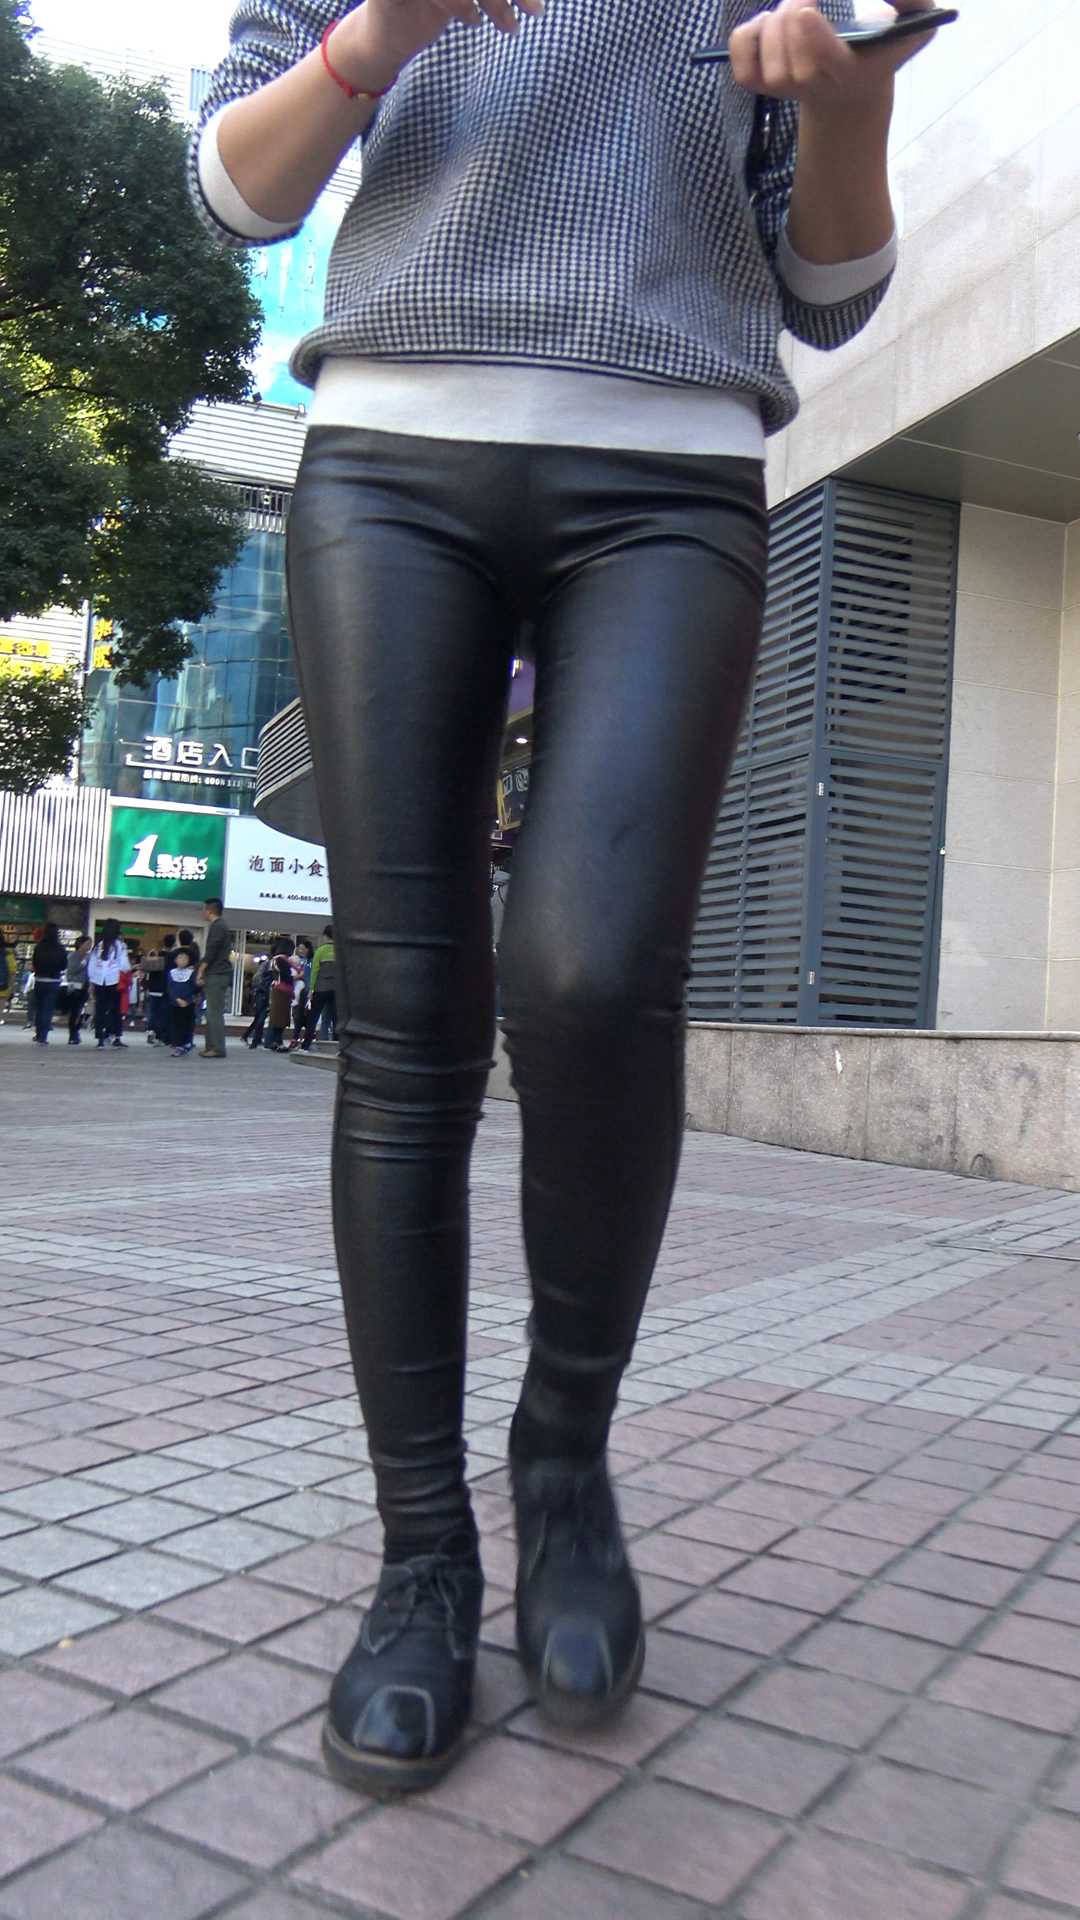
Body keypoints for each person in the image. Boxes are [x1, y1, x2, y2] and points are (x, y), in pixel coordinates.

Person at [192, 0, 937, 1794]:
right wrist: (383, 31)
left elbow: (832, 293)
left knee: (596, 979)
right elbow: (234, 191)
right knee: (409, 1019)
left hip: (671, 471)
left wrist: (846, 108)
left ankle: (564, 1465)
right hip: (390, 465)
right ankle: (422, 1556)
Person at [198, 897, 234, 1058]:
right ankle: (211, 1047)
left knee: (214, 1013)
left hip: (217, 973)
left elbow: (212, 951)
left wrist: (201, 971)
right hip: (219, 973)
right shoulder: (221, 926)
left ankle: (217, 1048)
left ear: (209, 910)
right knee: (212, 1012)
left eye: (204, 909)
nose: (202, 912)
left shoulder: (218, 926)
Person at [87, 920, 130, 1048]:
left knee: (100, 1009)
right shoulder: (120, 945)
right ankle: (115, 1036)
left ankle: (100, 1038)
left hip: (99, 981)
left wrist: (91, 980)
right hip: (114, 981)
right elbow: (124, 965)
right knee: (115, 1009)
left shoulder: (98, 945)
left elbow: (91, 965)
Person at [30, 921, 66, 1045]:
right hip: (54, 981)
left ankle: (38, 1033)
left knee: (40, 1008)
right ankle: (43, 1036)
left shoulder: (39, 947)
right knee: (48, 1009)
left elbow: (34, 962)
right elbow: (64, 965)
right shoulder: (60, 948)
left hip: (40, 980)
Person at [301, 925, 336, 1051]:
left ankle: (305, 1046)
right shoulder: (341, 951)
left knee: (313, 1018)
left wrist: (311, 990)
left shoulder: (320, 951)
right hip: (336, 990)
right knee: (336, 1019)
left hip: (320, 989)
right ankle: (337, 1046)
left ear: (325, 936)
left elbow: (314, 972)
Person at [166, 947, 198, 1055]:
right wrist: (177, 999)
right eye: (180, 958)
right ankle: (178, 1045)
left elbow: (194, 988)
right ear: (175, 960)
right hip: (175, 1003)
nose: (182, 961)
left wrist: (189, 999)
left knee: (188, 1024)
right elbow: (170, 988)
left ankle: (187, 1042)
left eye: (185, 958)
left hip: (189, 1003)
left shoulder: (191, 973)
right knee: (176, 1024)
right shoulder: (171, 973)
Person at [63, 935, 92, 1046]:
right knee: (74, 1011)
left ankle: (76, 1031)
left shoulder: (89, 956)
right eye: (87, 943)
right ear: (80, 944)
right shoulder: (73, 956)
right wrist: (83, 962)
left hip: (85, 986)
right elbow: (72, 970)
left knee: (81, 1010)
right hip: (74, 986)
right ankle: (73, 1033)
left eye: (90, 944)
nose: (89, 946)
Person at [265, 952, 294, 1051]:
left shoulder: (273, 960)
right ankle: (278, 1042)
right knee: (281, 1018)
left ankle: (272, 1042)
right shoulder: (282, 960)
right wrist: (296, 976)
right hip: (283, 992)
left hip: (276, 990)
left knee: (275, 1018)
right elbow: (287, 976)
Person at [288, 936, 314, 1048]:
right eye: (299, 948)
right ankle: (296, 1037)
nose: (300, 951)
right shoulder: (302, 960)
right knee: (298, 1014)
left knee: (306, 1014)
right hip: (302, 991)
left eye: (303, 948)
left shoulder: (311, 961)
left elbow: (306, 974)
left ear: (308, 949)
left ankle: (304, 1037)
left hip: (309, 990)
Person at [244, 953, 274, 1048]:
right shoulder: (270, 966)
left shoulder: (265, 966)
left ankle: (253, 1038)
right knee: (260, 1017)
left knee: (259, 1017)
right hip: (264, 993)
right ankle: (255, 1040)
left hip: (260, 993)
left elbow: (256, 978)